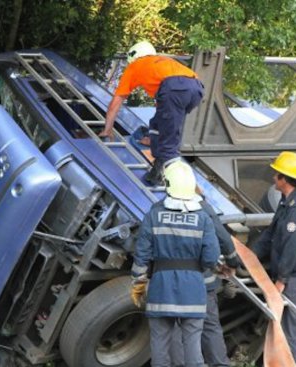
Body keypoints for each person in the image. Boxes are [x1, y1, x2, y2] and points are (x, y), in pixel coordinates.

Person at [131, 160, 219, 367]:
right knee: (193, 350)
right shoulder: (203, 218)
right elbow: (211, 258)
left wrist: (138, 283)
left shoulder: (154, 214)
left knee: (160, 349)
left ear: (168, 185)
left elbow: (142, 253)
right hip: (193, 291)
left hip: (161, 289)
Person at [100, 41, 204, 186]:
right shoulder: (162, 63)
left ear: (134, 57)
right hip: (196, 88)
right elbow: (162, 110)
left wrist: (107, 129)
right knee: (159, 124)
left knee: (169, 142)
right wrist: (154, 138)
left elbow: (116, 102)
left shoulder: (135, 66)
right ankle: (153, 143)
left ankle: (168, 179)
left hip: (174, 89)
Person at [252, 151, 296, 367]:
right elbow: (270, 235)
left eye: (277, 174)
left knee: (289, 335)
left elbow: (292, 247)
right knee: (278, 330)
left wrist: (281, 280)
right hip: (290, 274)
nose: (273, 178)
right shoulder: (286, 202)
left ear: (284, 179)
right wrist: (248, 256)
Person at [170, 198, 241, 367]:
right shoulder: (201, 207)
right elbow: (222, 238)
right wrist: (232, 262)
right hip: (202, 283)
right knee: (209, 328)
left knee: (175, 329)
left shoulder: (160, 207)